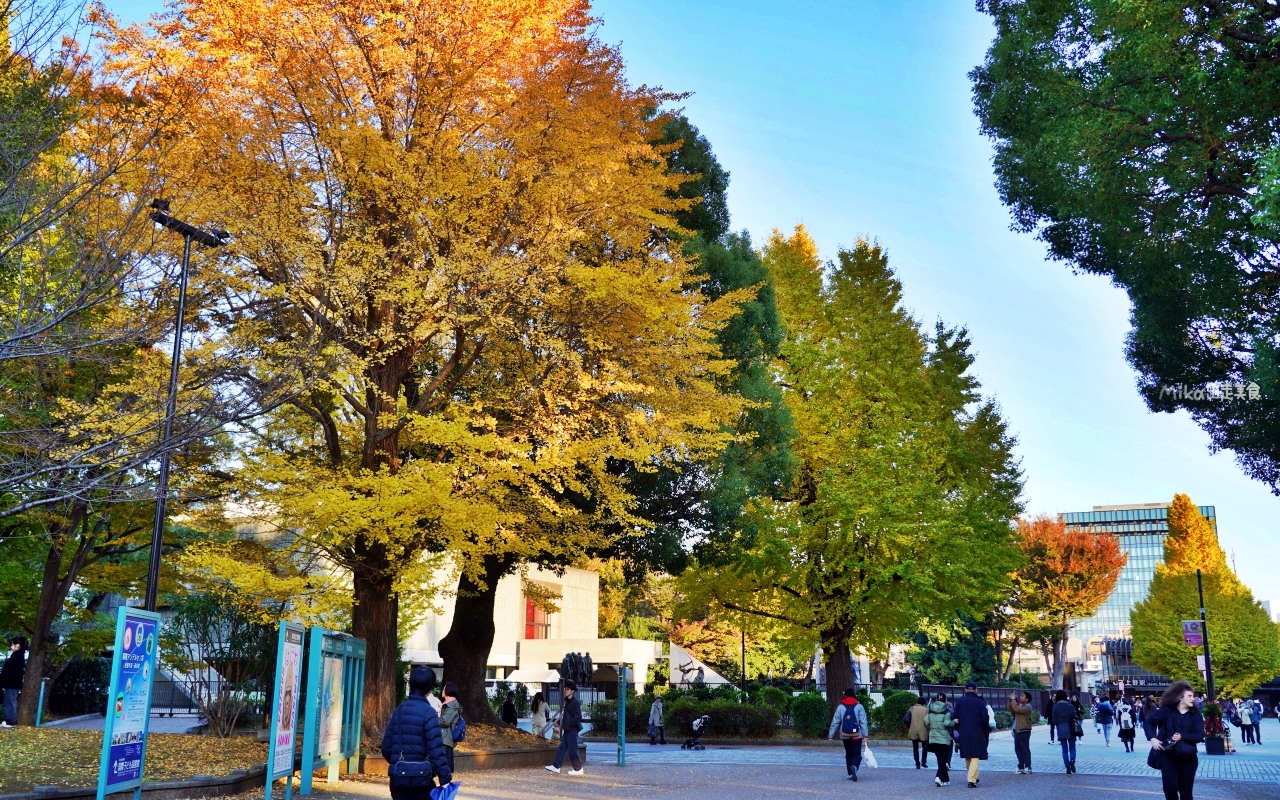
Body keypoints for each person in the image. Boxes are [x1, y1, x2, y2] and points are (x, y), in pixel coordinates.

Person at [381, 667, 453, 798]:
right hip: (422, 778)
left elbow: (386, 748)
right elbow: (436, 751)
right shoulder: (429, 713)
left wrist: (400, 762)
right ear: (430, 688)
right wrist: (445, 778)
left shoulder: (399, 710)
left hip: (398, 779)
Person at [1144, 680, 1204, 800]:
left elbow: (1199, 736)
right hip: (1168, 756)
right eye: (1190, 696)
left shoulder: (1195, 714)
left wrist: (1182, 736)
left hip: (1188, 757)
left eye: (1193, 696)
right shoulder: (1167, 711)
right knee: (1170, 788)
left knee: (1185, 791)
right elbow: (1148, 722)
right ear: (1180, 698)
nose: (1193, 698)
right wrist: (1152, 738)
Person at [827, 687, 869, 781]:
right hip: (857, 735)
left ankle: (850, 773)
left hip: (844, 735)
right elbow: (863, 722)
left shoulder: (840, 707)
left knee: (848, 754)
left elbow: (835, 722)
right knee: (857, 754)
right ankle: (854, 766)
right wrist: (865, 735)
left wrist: (831, 736)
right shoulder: (859, 707)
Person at [954, 682, 989, 788]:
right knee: (975, 756)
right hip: (977, 732)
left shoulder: (960, 702)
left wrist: (959, 729)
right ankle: (971, 780)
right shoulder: (980, 703)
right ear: (976, 690)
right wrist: (984, 730)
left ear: (965, 690)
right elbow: (985, 719)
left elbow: (955, 718)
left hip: (963, 731)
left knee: (968, 755)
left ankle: (974, 776)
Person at [546, 680, 584, 775]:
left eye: (568, 689)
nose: (566, 691)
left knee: (572, 749)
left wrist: (570, 725)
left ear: (573, 691)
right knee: (562, 748)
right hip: (567, 729)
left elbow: (578, 717)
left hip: (571, 729)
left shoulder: (575, 702)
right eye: (565, 689)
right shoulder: (568, 701)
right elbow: (566, 715)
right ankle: (556, 766)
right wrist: (560, 722)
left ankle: (578, 769)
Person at [925, 692, 956, 787]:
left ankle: (945, 779)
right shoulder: (946, 711)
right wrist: (954, 722)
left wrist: (931, 728)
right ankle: (938, 777)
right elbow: (947, 723)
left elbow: (926, 721)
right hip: (944, 739)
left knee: (940, 759)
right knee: (943, 760)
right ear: (945, 700)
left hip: (933, 738)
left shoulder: (930, 710)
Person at [1050, 690, 1079, 773]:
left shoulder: (1055, 706)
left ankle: (1067, 767)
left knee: (1064, 749)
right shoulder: (1070, 706)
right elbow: (1075, 716)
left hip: (1061, 728)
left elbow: (1054, 719)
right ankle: (1072, 760)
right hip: (1071, 727)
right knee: (1072, 748)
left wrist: (1058, 723)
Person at [0, 636, 26, 728]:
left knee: (9, 702)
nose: (11, 646)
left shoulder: (17, 656)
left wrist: (4, 679)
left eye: (12, 644)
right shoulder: (18, 656)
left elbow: (12, 672)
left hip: (12, 684)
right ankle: (11, 720)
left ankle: (10, 721)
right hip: (12, 683)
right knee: (10, 702)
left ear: (17, 645)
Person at [1008, 691, 1035, 774]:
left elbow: (1017, 709)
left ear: (1027, 699)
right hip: (1017, 730)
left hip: (1024, 730)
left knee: (1025, 749)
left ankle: (1028, 766)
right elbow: (1011, 709)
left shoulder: (1028, 707)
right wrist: (1010, 700)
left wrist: (1013, 701)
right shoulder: (1019, 705)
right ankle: (1021, 766)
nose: (1020, 697)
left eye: (1023, 696)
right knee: (1018, 749)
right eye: (1020, 695)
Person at [438, 682, 461, 773]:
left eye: (444, 689)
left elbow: (445, 722)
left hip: (446, 739)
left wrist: (432, 720)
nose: (442, 691)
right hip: (444, 738)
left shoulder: (452, 706)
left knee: (445, 769)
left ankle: (446, 787)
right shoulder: (448, 704)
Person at [908, 695, 930, 769]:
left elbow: (906, 719)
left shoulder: (912, 709)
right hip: (923, 730)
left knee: (915, 747)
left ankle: (917, 763)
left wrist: (910, 727)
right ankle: (924, 762)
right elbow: (928, 721)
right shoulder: (926, 710)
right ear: (924, 703)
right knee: (925, 747)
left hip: (913, 730)